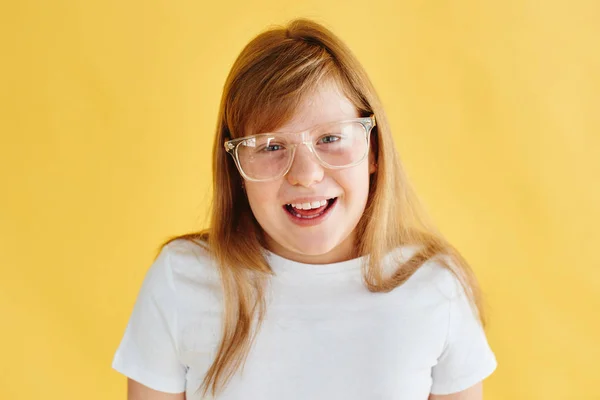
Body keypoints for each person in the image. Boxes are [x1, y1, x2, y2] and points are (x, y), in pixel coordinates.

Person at [112, 17, 497, 400]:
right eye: (271, 146)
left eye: (330, 138)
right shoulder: (181, 282)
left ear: (374, 151)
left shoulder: (435, 288)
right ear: (237, 170)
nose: (306, 175)